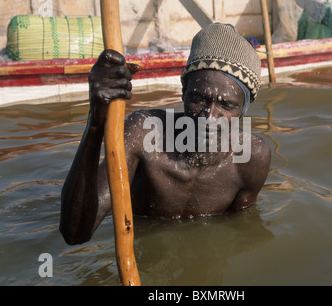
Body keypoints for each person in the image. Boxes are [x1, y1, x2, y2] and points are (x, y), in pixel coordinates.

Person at [60, 23, 271, 245]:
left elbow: (239, 231)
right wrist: (95, 121)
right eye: (198, 98)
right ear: (183, 93)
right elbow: (75, 234)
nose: (209, 117)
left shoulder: (252, 158)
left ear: (243, 111)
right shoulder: (143, 132)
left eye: (226, 105)